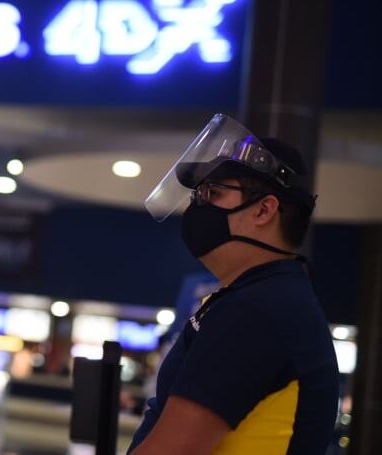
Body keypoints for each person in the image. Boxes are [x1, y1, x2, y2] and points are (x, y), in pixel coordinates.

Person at [130, 114, 339, 454]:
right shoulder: (271, 297)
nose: (197, 207)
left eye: (211, 193)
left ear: (263, 211)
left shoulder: (256, 312)